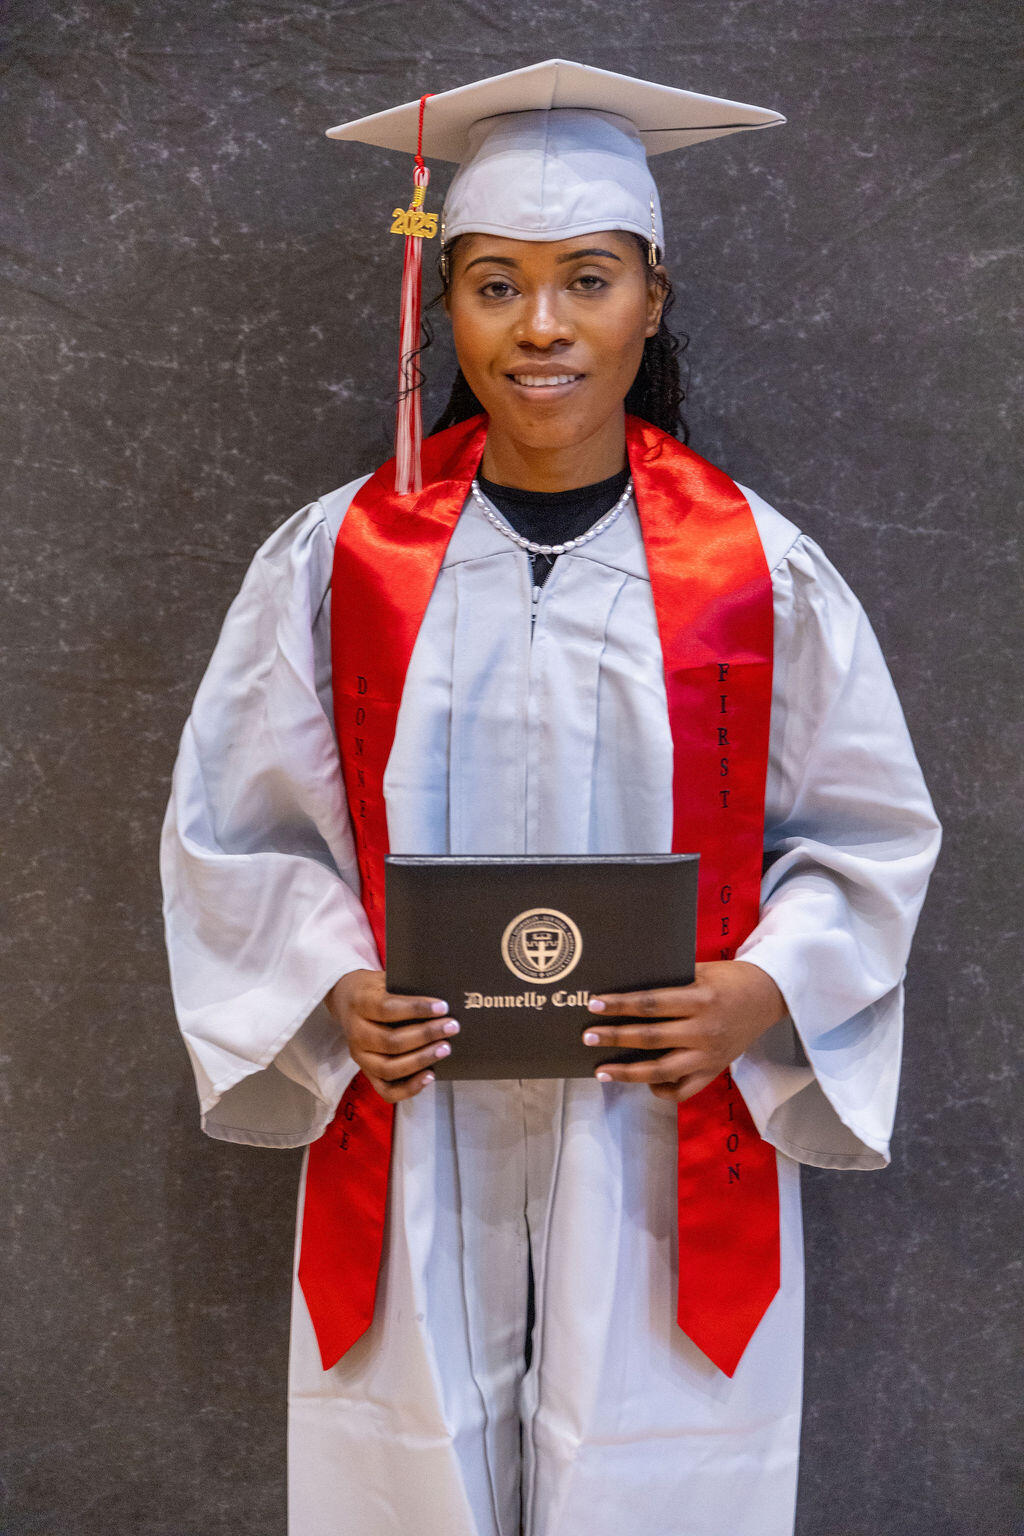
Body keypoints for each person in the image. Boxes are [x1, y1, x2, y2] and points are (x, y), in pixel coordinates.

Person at [160, 60, 941, 1536]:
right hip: (418, 1117)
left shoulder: (757, 572)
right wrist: (331, 986)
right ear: (443, 308)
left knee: (653, 1464)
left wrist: (764, 991)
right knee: (412, 1465)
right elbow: (238, 833)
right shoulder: (339, 560)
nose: (540, 327)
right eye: (495, 284)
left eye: (587, 279)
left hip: (655, 1117)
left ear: (651, 297)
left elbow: (868, 834)